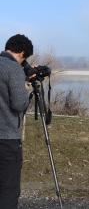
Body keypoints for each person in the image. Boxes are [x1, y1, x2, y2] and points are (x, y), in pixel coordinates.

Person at [0, 34, 33, 209]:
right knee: (8, 189)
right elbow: (19, 104)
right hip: (6, 139)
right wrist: (28, 90)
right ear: (21, 52)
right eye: (24, 58)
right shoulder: (14, 69)